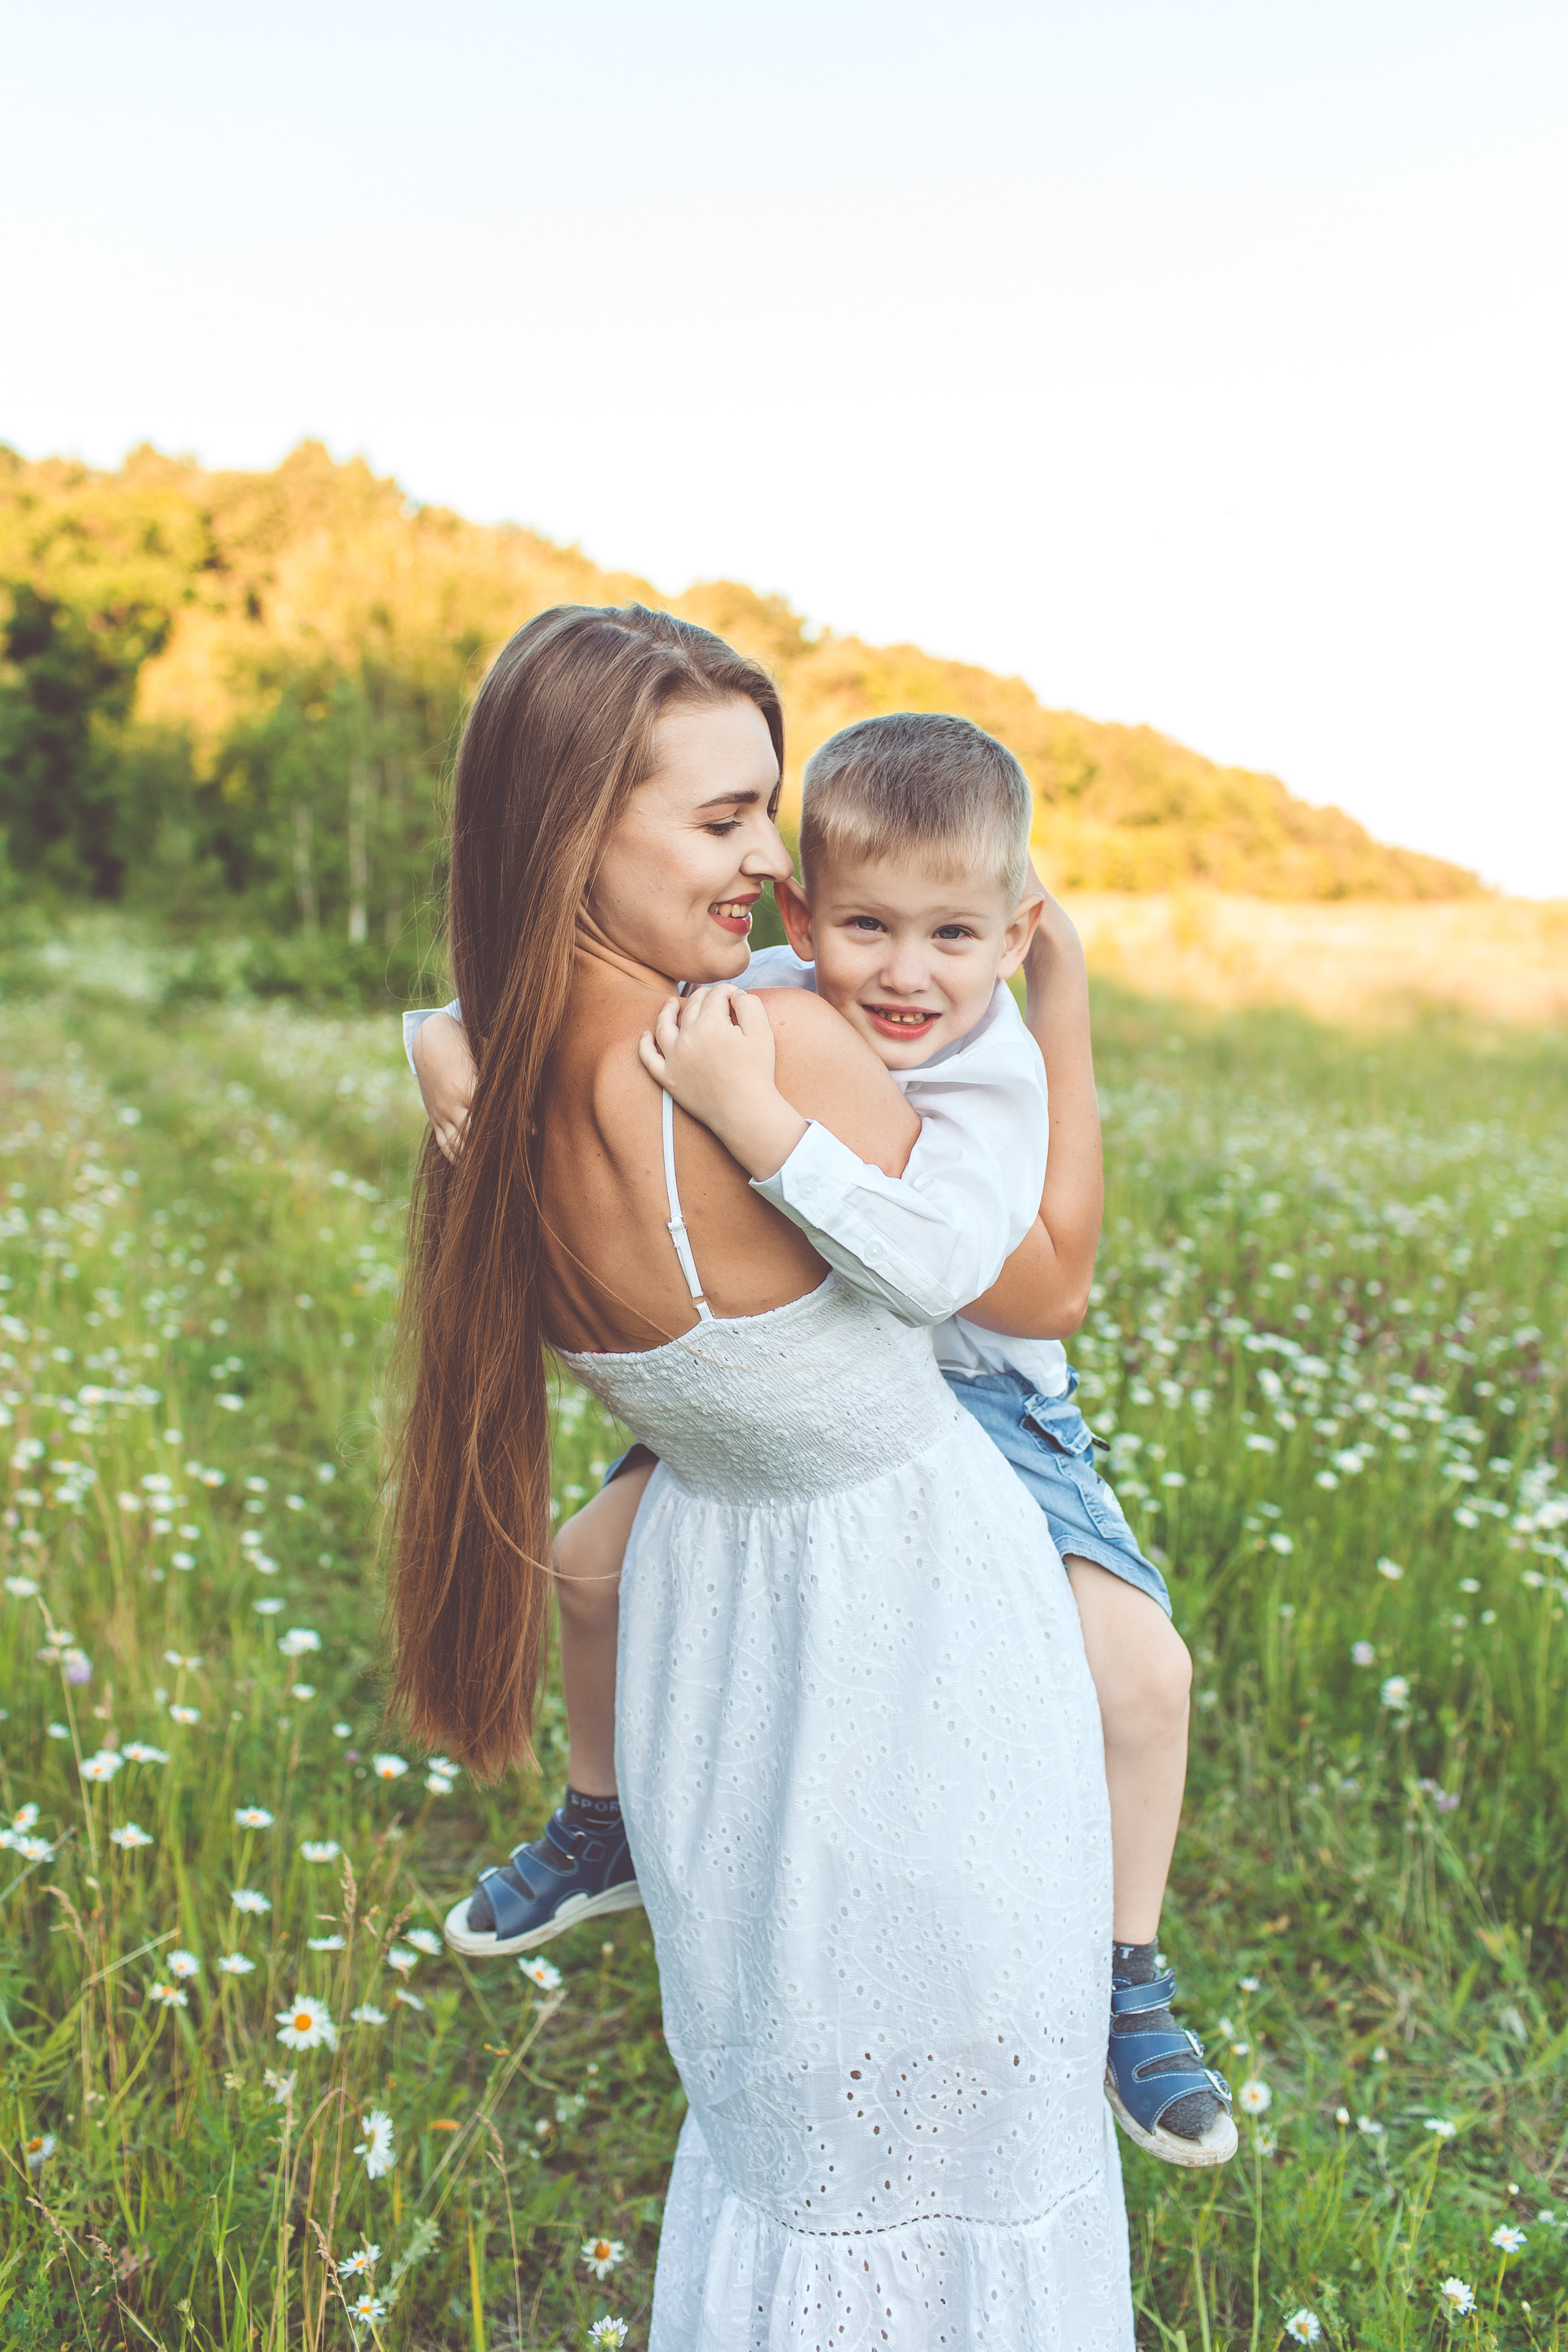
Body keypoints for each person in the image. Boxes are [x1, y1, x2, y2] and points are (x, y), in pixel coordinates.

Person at [393, 601, 1134, 2344]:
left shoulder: (482, 1085)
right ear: (577, 818)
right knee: (973, 2091)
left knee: (794, 2121)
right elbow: (1046, 1277)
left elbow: (466, 1011)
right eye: (722, 821)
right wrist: (1066, 1005)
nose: (765, 866)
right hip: (917, 1621)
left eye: (764, 814)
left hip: (714, 1642)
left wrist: (429, 1027)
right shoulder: (772, 1056)